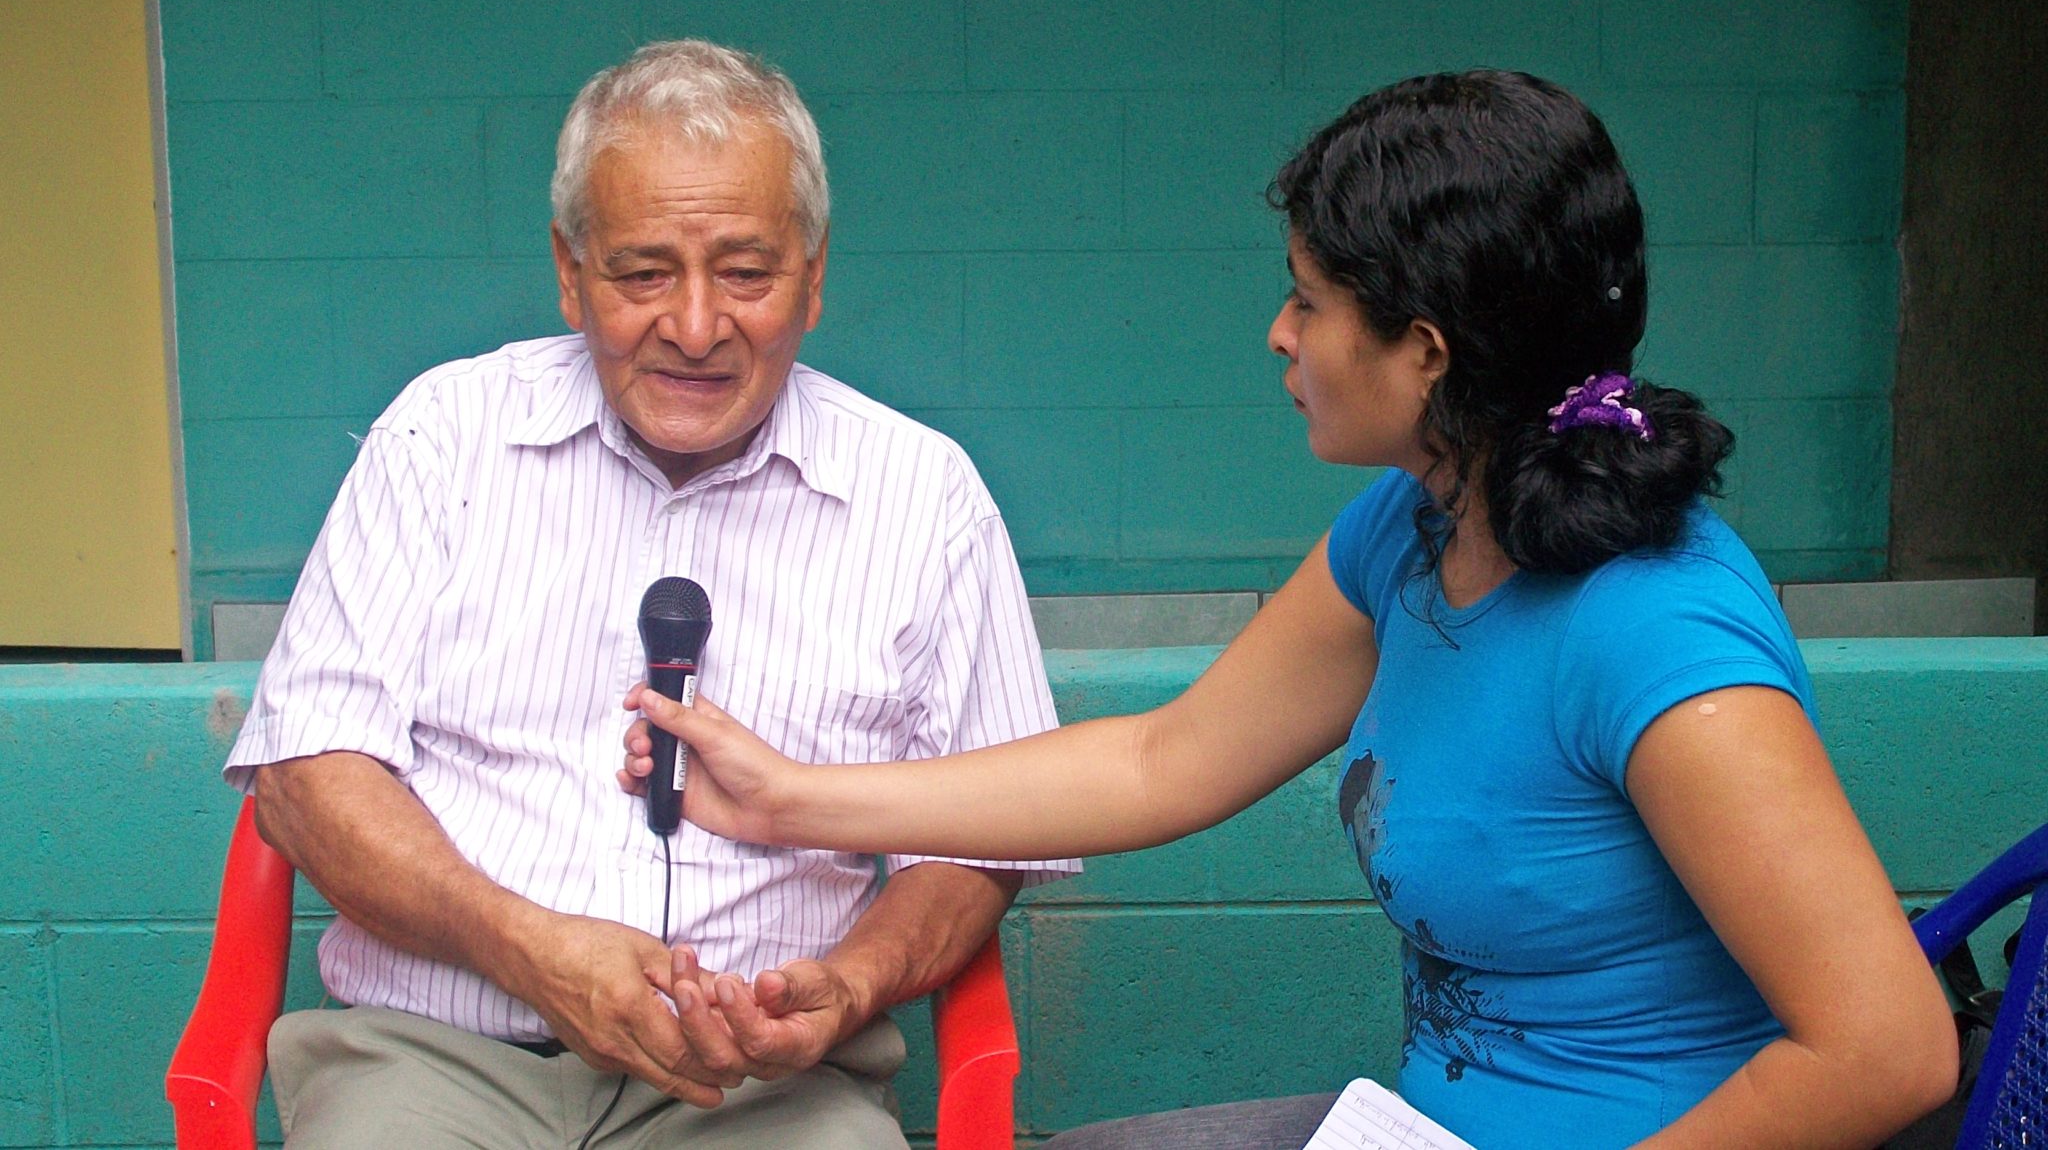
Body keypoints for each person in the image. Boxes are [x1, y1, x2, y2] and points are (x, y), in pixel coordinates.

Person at [621, 71, 1959, 1148]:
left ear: (1424, 352)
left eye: (1308, 302)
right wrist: (789, 794)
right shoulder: (1417, 522)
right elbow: (1164, 758)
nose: (1278, 333)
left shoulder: (1653, 635)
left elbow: (1887, 1049)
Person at [224, 39, 1074, 1148]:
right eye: (642, 272)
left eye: (746, 271)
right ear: (569, 272)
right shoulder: (441, 439)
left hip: (766, 1087)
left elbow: (982, 835)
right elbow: (305, 774)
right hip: (436, 1064)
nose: (693, 325)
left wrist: (851, 983)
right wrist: (530, 947)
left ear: (814, 276)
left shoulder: (924, 497)